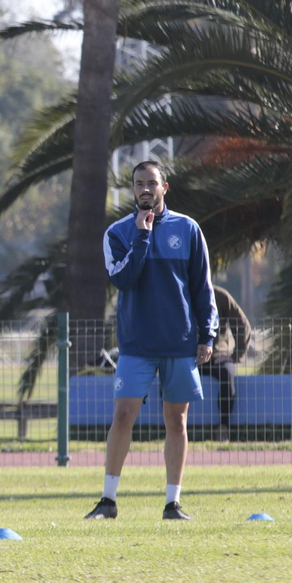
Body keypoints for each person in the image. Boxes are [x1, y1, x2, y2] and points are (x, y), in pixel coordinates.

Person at [84, 160, 217, 522]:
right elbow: (123, 280)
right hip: (136, 345)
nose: (145, 189)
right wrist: (142, 235)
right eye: (139, 183)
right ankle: (108, 501)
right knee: (123, 415)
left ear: (164, 188)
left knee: (177, 422)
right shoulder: (118, 233)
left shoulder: (187, 229)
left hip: (179, 343)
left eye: (152, 183)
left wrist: (207, 334)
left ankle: (172, 504)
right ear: (133, 189)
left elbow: (202, 287)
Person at [203, 285, 251, 442]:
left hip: (217, 356)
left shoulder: (219, 295)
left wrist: (235, 355)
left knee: (227, 373)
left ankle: (223, 427)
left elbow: (242, 324)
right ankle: (170, 429)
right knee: (170, 373)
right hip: (189, 357)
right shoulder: (181, 292)